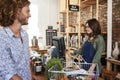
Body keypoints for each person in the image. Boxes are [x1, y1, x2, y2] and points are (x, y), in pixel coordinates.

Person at [0, 0, 38, 80]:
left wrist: (31, 75)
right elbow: (10, 75)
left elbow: (26, 61)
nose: (30, 15)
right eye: (27, 11)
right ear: (17, 12)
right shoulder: (2, 38)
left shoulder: (24, 35)